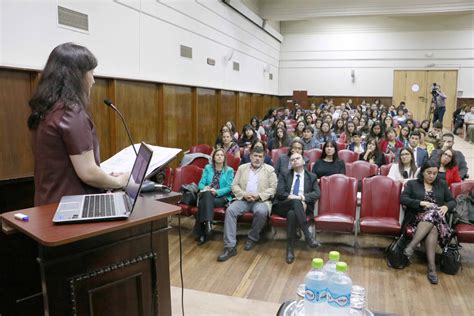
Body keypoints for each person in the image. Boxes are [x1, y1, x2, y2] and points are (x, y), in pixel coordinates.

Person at [27, 43, 129, 206]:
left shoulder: (47, 108)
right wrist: (120, 181)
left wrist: (106, 177)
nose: (93, 80)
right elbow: (88, 173)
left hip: (48, 203)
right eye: (91, 73)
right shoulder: (70, 112)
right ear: (77, 76)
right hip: (72, 209)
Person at [218, 147, 277, 262]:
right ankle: (230, 247)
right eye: (255, 156)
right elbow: (234, 186)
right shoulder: (242, 168)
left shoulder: (269, 170)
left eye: (260, 157)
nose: (257, 159)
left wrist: (258, 195)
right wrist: (244, 194)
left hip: (261, 200)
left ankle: (252, 238)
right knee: (230, 210)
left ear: (263, 158)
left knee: (261, 212)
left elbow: (273, 188)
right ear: (250, 156)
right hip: (243, 199)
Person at [400, 160, 456, 284]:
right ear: (423, 172)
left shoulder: (441, 184)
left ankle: (411, 246)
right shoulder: (413, 184)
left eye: (435, 173)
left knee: (434, 212)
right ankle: (431, 268)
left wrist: (446, 207)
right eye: (429, 173)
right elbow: (403, 199)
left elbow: (452, 201)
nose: (432, 176)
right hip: (416, 220)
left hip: (439, 221)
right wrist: (420, 203)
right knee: (433, 227)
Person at [272, 153, 321, 263]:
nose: (295, 160)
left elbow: (317, 193)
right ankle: (308, 236)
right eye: (292, 160)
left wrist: (302, 198)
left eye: (297, 158)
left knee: (292, 214)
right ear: (290, 163)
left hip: (301, 208)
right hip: (283, 205)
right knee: (294, 202)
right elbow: (279, 192)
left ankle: (290, 248)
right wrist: (295, 198)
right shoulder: (285, 174)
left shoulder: (311, 176)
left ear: (303, 161)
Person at [193, 148, 234, 245]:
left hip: (221, 197)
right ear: (214, 157)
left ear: (224, 158)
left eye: (221, 155)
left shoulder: (229, 170)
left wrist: (216, 192)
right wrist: (205, 187)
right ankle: (208, 223)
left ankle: (202, 232)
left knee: (203, 202)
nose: (219, 157)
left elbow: (229, 187)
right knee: (207, 195)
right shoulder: (208, 168)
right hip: (208, 195)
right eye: (217, 155)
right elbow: (200, 184)